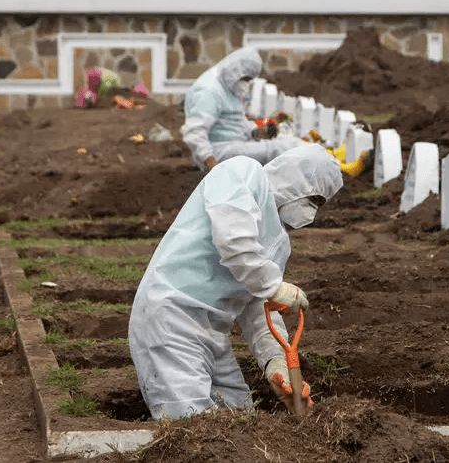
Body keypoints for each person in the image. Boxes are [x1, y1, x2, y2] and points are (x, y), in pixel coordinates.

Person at [128, 144, 343, 419]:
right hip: (171, 318)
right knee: (192, 428)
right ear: (296, 179)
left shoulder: (278, 243)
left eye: (320, 205)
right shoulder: (242, 173)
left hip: (212, 335)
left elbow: (259, 305)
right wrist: (273, 286)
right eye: (313, 200)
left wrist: (275, 362)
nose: (311, 214)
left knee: (242, 423)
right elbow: (234, 242)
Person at [182, 47, 305, 172]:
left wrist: (255, 131)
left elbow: (233, 123)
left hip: (233, 145)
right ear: (236, 72)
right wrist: (211, 162)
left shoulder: (228, 84)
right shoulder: (208, 91)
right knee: (277, 149)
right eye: (245, 79)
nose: (246, 84)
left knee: (288, 142)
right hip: (218, 152)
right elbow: (195, 132)